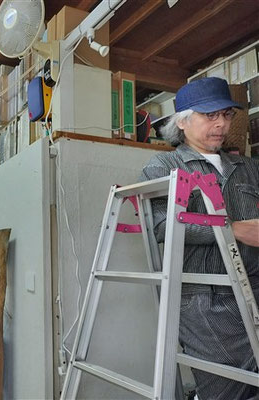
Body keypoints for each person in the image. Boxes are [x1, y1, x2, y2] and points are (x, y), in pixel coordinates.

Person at [140, 77, 259, 399]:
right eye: (210, 115)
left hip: (254, 287)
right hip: (205, 300)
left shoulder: (247, 167)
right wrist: (232, 229)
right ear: (182, 121)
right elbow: (161, 225)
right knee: (227, 387)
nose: (221, 124)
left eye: (226, 115)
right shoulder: (164, 165)